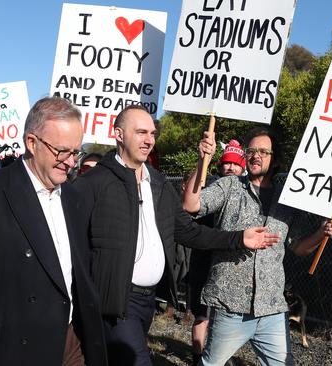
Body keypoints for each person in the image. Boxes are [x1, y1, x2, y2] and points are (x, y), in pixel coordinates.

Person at [72, 105, 279, 366]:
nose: (149, 139)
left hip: (147, 301)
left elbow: (190, 231)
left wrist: (238, 239)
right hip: (115, 302)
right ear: (119, 134)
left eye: (152, 133)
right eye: (140, 132)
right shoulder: (93, 183)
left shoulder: (157, 182)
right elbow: (73, 245)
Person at [0, 97, 107, 366]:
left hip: (71, 343)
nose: (71, 162)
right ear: (32, 142)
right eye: (62, 151)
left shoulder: (74, 198)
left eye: (76, 152)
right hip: (13, 348)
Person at [183, 127, 332, 366]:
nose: (255, 155)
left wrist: (321, 233)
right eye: (251, 150)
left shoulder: (288, 199)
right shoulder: (229, 186)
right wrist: (202, 159)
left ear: (274, 159)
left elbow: (298, 248)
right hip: (230, 306)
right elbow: (192, 205)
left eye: (263, 151)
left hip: (272, 309)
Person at [188, 139, 246, 366]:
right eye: (226, 164)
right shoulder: (209, 186)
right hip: (203, 260)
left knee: (226, 318)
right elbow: (192, 206)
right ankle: (197, 359)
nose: (230, 168)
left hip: (229, 265)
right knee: (202, 315)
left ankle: (218, 356)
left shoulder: (247, 193)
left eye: (235, 164)